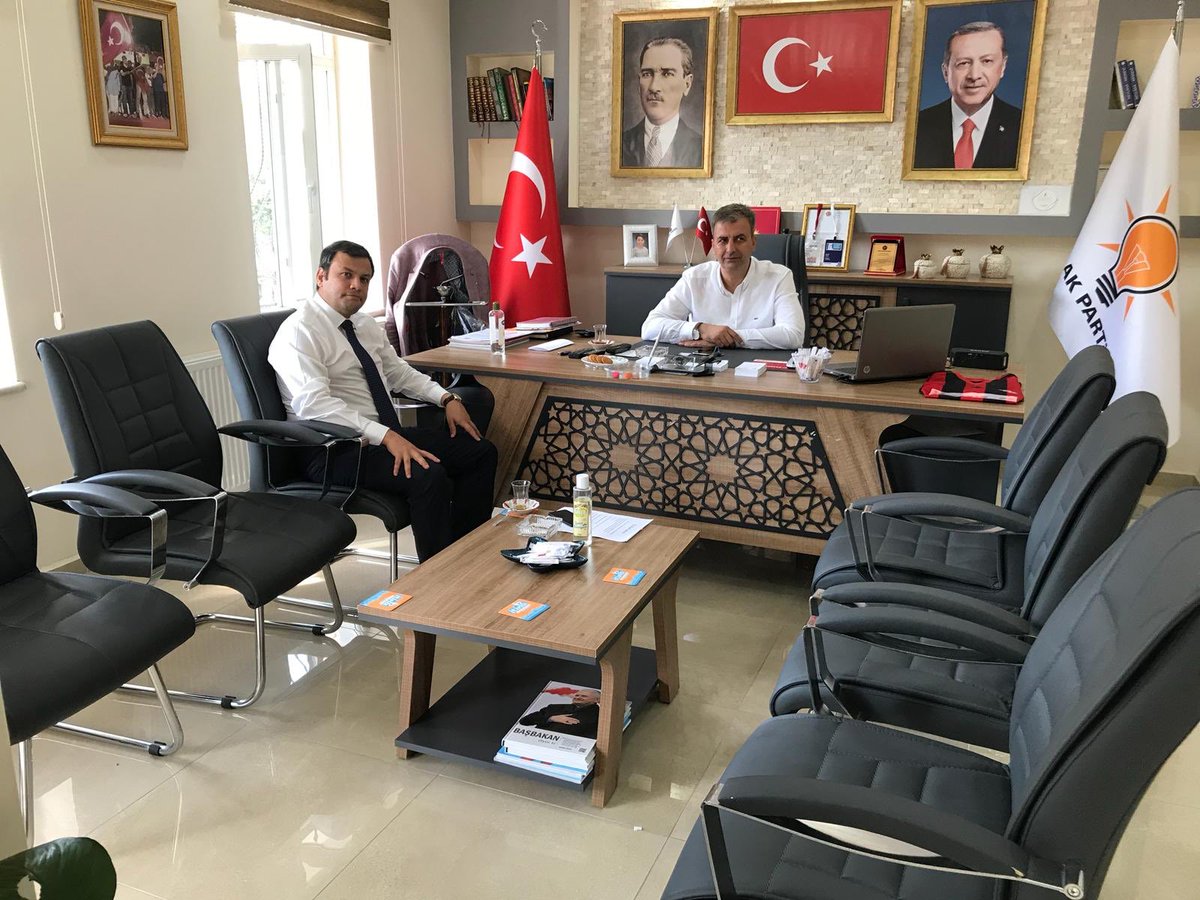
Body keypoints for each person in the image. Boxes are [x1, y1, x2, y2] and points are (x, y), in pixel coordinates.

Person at [269, 240, 498, 562]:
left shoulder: (362, 324)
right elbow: (316, 406)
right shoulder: (299, 332)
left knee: (480, 452)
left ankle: (464, 555)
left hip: (380, 437)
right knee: (427, 475)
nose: (356, 285)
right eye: (346, 275)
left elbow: (398, 373)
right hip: (332, 449)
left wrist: (446, 397)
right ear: (321, 276)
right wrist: (387, 436)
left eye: (364, 279)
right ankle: (439, 572)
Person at [640, 203, 805, 350]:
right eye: (723, 240)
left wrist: (727, 339)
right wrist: (700, 329)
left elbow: (794, 335)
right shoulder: (694, 278)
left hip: (760, 370)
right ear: (713, 244)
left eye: (740, 239)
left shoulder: (779, 277)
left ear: (753, 242)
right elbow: (650, 327)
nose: (730, 249)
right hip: (705, 369)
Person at [913, 21, 1022, 170]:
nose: (974, 75)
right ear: (945, 72)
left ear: (1002, 67)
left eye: (987, 61)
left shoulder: (1022, 127)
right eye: (963, 63)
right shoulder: (917, 127)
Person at [619, 37, 703, 169]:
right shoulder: (620, 144)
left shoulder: (700, 147)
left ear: (687, 84)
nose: (654, 87)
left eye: (667, 74)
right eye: (647, 74)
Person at [519, 689, 601, 737]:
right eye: (577, 695)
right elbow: (524, 721)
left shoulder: (601, 716)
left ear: (597, 700)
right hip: (537, 743)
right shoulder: (554, 707)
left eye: (584, 696)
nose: (578, 697)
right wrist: (551, 718)